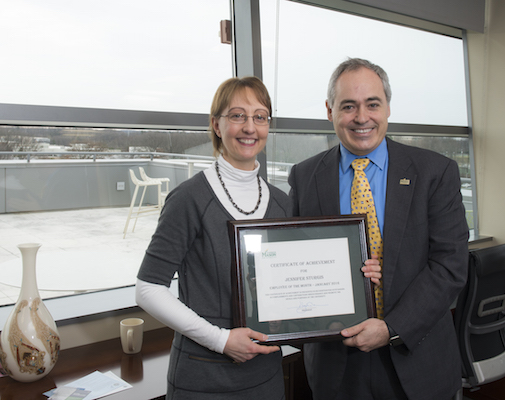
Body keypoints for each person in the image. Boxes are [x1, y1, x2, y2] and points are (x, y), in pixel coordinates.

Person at [135, 76, 381, 399]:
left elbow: (298, 281)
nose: (250, 127)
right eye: (237, 115)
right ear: (216, 125)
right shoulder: (189, 200)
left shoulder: (282, 202)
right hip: (202, 377)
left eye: (260, 117)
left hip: (265, 377)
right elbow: (148, 289)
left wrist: (357, 273)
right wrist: (221, 340)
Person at [288, 58, 469, 400]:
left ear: (387, 107)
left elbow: (451, 266)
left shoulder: (435, 172)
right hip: (336, 366)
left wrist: (391, 329)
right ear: (330, 111)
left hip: (416, 358)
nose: (361, 117)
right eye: (348, 106)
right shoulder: (304, 176)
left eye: (372, 104)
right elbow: (297, 258)